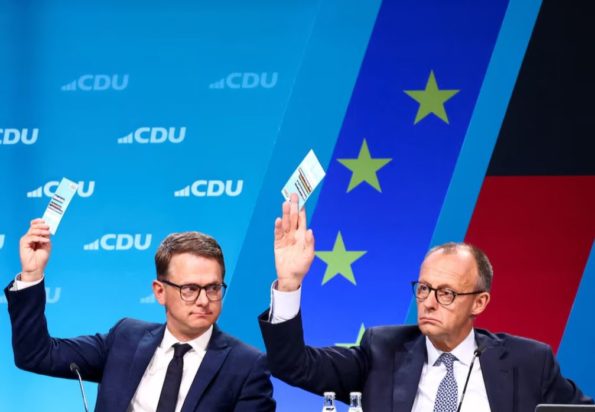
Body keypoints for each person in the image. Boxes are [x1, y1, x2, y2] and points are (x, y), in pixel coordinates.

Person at [258, 194, 593, 411]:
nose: (429, 303)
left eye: (446, 293)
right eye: (423, 289)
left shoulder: (528, 361)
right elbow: (293, 365)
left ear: (479, 302)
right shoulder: (382, 351)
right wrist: (289, 283)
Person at [5, 218, 275, 412]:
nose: (204, 300)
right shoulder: (125, 338)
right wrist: (32, 274)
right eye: (191, 289)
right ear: (160, 291)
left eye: (213, 288)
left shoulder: (247, 366)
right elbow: (36, 355)